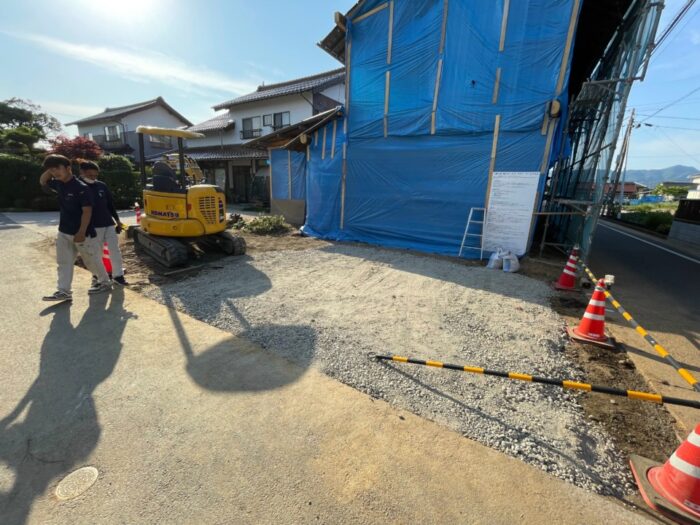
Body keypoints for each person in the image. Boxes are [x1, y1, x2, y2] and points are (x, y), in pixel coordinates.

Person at [39, 154, 112, 300]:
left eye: (57, 169)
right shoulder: (58, 183)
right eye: (51, 171)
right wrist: (52, 166)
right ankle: (64, 291)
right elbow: (42, 181)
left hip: (82, 233)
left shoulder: (81, 187)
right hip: (64, 231)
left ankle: (104, 282)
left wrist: (81, 231)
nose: (54, 173)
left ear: (68, 168)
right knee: (63, 262)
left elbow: (87, 211)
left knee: (92, 262)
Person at [78, 160, 128, 286]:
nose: (93, 178)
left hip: (108, 223)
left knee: (115, 250)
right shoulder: (77, 187)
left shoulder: (101, 186)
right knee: (96, 253)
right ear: (82, 172)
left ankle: (118, 276)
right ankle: (98, 277)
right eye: (90, 175)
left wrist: (117, 221)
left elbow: (110, 205)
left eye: (95, 175)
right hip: (92, 226)